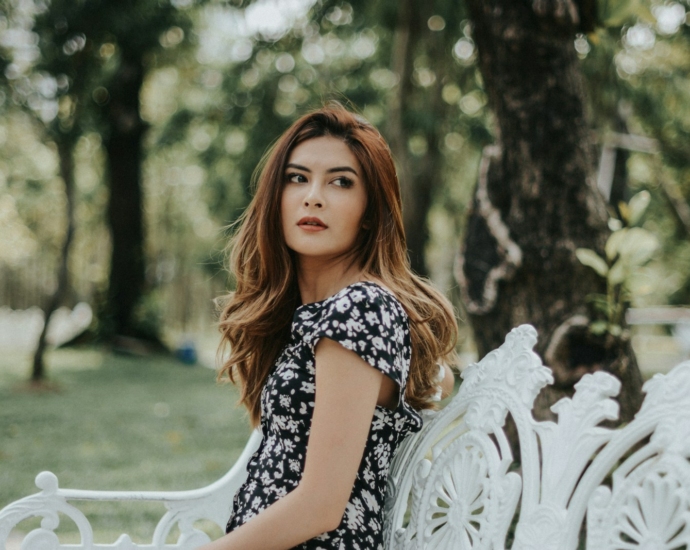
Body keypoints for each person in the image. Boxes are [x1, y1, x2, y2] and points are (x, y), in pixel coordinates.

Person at [201, 103, 457, 550]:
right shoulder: (318, 318)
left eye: (341, 182)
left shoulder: (361, 307)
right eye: (297, 178)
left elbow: (320, 505)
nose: (313, 196)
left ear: (371, 211)